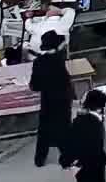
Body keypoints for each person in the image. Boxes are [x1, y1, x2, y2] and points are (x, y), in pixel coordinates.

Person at [60, 89, 106, 182]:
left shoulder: (78, 121)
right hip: (92, 166)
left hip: (80, 167)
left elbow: (70, 142)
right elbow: (93, 149)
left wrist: (70, 163)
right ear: (100, 107)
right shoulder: (96, 125)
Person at [29, 30, 73, 167]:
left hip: (47, 101)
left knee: (43, 131)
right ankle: (66, 160)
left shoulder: (38, 62)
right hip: (63, 100)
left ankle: (39, 160)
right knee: (64, 130)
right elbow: (66, 81)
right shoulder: (60, 60)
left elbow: (34, 86)